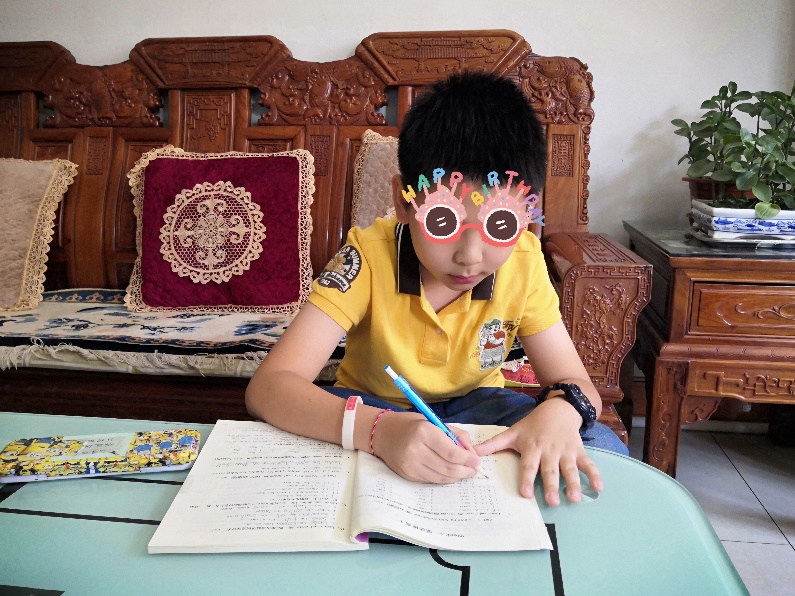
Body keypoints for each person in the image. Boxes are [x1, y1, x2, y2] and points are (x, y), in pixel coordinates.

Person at [246, 71, 628, 507]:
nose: (470, 256)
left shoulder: (523, 259)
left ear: (526, 213)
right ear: (403, 202)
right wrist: (377, 431)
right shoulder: (368, 255)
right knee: (280, 437)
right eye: (443, 222)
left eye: (500, 225)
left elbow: (576, 383)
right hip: (375, 405)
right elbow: (269, 387)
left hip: (479, 405)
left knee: (603, 450)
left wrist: (561, 411)